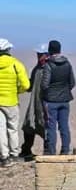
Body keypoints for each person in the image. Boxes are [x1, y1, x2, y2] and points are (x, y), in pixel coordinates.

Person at [41, 40, 76, 155]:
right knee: (64, 126)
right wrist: (64, 91)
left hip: (51, 101)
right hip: (65, 101)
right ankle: (65, 151)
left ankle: (51, 152)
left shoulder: (48, 65)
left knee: (51, 127)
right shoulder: (67, 64)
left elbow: (45, 84)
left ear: (50, 50)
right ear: (60, 50)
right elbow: (72, 83)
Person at [0, 39, 30, 167]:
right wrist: (17, 91)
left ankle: (4, 157)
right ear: (8, 50)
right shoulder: (16, 64)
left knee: (0, 129)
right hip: (11, 101)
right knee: (12, 129)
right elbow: (26, 85)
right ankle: (14, 154)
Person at [20, 45, 50, 161]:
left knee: (45, 127)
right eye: (37, 54)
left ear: (47, 55)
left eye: (40, 55)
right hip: (34, 103)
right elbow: (30, 85)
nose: (38, 57)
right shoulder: (37, 69)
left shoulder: (49, 69)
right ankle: (26, 150)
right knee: (29, 125)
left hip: (45, 104)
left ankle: (48, 153)